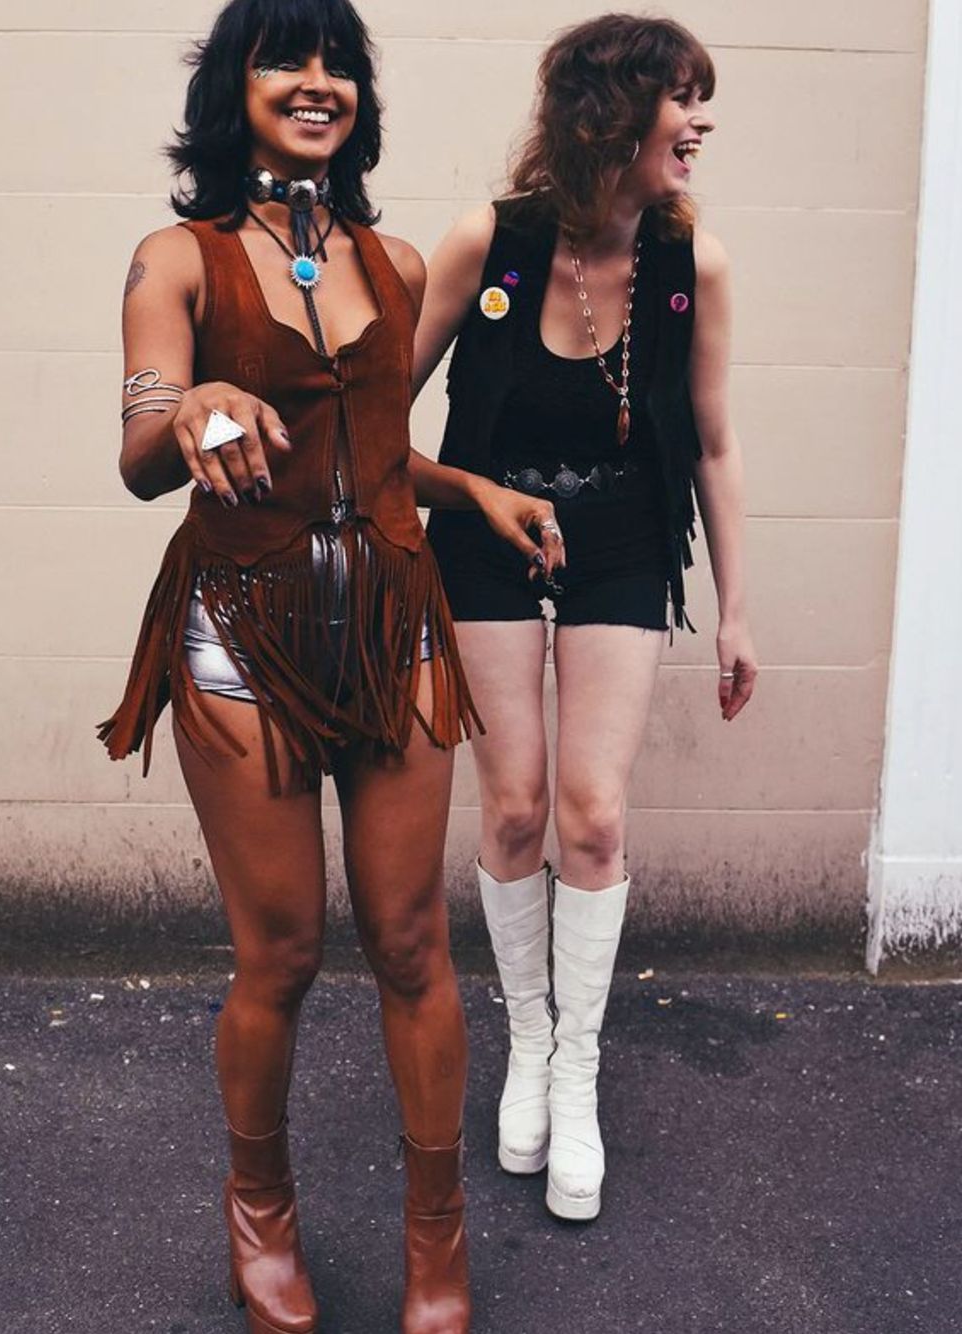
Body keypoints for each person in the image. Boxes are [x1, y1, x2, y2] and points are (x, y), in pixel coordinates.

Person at [95, 2, 546, 1327]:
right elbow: (139, 450)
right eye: (284, 59)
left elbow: (374, 453)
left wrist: (476, 489)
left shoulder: (393, 263)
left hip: (395, 629)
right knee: (282, 952)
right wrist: (189, 404)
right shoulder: (177, 259)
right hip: (244, 633)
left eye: (338, 62)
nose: (316, 81)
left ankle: (436, 1236)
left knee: (411, 941)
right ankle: (261, 1208)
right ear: (232, 91)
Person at [410, 14, 758, 1222]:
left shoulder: (692, 263)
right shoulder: (488, 243)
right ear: (612, 114)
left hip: (621, 539)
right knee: (514, 808)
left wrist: (736, 609)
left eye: (701, 97)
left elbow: (712, 441)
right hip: (487, 537)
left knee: (593, 818)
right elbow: (374, 424)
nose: (700, 121)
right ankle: (526, 1038)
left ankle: (578, 1065)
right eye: (682, 98)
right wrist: (470, 495)